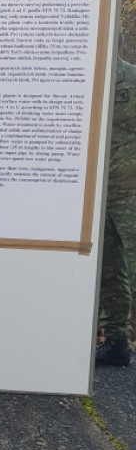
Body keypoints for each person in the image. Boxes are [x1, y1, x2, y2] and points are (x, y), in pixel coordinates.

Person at [97, 45, 136, 367]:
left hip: (129, 193)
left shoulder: (132, 80)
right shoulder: (84, 76)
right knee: (109, 268)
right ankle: (116, 341)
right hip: (95, 195)